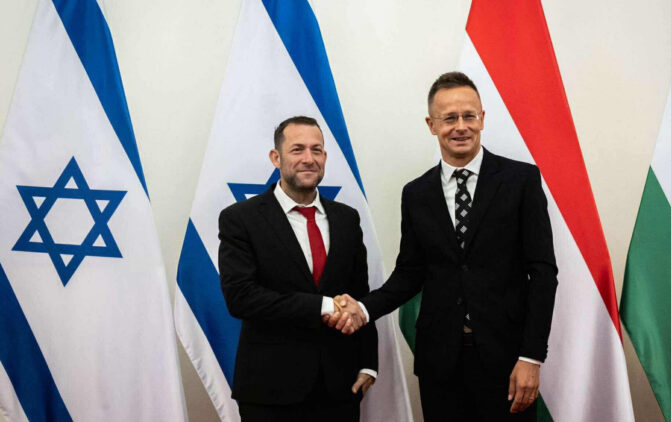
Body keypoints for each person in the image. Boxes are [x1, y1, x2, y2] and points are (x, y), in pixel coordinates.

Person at [328, 72, 558, 421]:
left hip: (508, 360)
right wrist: (363, 308)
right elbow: (409, 274)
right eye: (449, 118)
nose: (461, 127)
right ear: (431, 125)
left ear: (482, 118)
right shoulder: (416, 194)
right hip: (440, 363)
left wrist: (531, 356)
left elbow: (543, 273)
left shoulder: (521, 180)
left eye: (469, 116)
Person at [219, 116, 377, 421]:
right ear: (275, 158)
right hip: (269, 392)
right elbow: (241, 298)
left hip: (340, 388)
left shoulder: (347, 218)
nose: (308, 158)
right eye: (297, 149)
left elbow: (359, 296)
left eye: (316, 150)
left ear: (325, 157)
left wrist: (368, 363)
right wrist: (323, 305)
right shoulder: (241, 219)